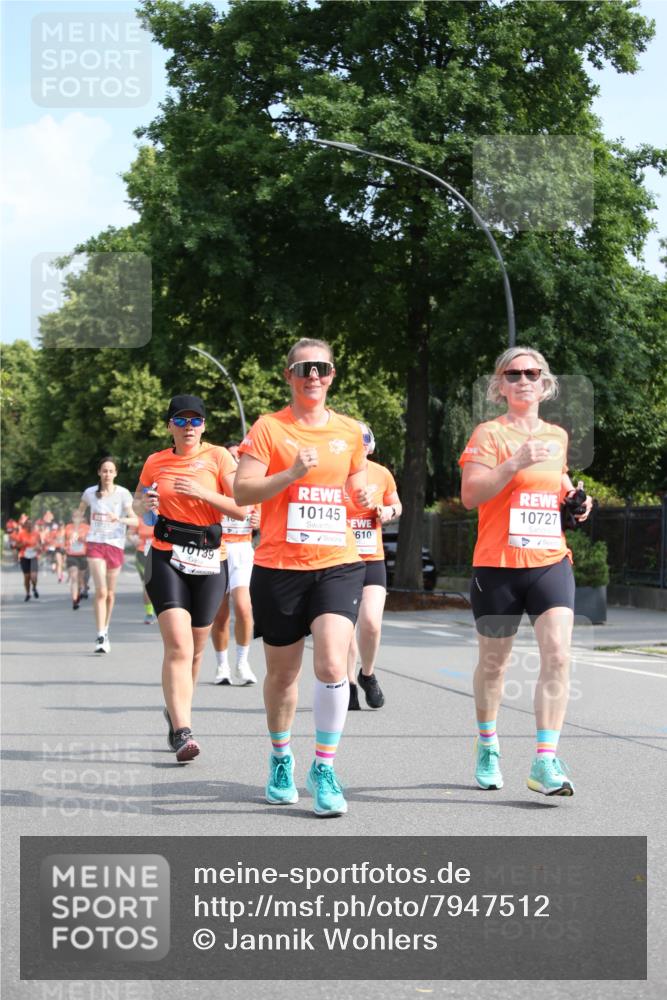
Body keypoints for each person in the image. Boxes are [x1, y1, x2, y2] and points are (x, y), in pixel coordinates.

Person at [235, 338, 370, 817]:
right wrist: (290, 473)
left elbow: (354, 490)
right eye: (304, 368)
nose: (314, 375)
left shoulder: (350, 432)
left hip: (338, 561)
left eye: (322, 368)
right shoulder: (270, 428)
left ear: (333, 375)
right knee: (283, 674)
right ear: (289, 375)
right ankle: (280, 757)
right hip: (278, 566)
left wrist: (370, 503)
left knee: (334, 665)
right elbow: (242, 488)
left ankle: (325, 767)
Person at [460, 346, 593, 797]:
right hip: (497, 566)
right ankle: (488, 743)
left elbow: (559, 485)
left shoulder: (556, 436)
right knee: (495, 664)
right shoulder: (488, 434)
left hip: (549, 560)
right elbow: (471, 495)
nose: (523, 379)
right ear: (500, 385)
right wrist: (515, 461)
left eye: (531, 373)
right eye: (512, 373)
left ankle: (545, 759)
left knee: (558, 655)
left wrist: (577, 500)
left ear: (544, 383)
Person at [133, 394, 248, 763]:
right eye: (180, 421)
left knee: (198, 649)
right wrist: (144, 507)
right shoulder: (156, 461)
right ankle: (183, 730)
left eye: (195, 421)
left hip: (210, 559)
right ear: (169, 426)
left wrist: (203, 492)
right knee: (180, 646)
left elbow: (241, 508)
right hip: (165, 556)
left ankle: (176, 709)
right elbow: (139, 501)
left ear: (204, 425)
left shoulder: (218, 457)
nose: (188, 428)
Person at [345, 422, 402, 710]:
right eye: (354, 441)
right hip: (339, 560)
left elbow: (397, 506)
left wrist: (386, 511)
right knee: (344, 628)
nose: (361, 445)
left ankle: (367, 674)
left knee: (371, 622)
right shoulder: (334, 473)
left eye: (365, 440)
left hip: (372, 559)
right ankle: (349, 685)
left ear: (371, 444)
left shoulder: (381, 474)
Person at [212, 442, 260, 686]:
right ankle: (222, 666)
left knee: (244, 608)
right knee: (220, 615)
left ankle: (243, 661)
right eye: (231, 457)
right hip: (217, 550)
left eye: (239, 457)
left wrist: (260, 520)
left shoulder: (252, 488)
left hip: (242, 550)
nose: (235, 461)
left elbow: (264, 520)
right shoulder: (215, 486)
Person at [78, 457, 137, 653]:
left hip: (115, 544)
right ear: (99, 473)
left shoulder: (123, 494)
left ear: (116, 474)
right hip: (95, 543)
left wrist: (118, 518)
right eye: (104, 471)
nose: (107, 474)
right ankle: (100, 634)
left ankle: (106, 628)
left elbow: (134, 520)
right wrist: (77, 529)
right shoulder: (89, 493)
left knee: (111, 594)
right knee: (101, 591)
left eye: (111, 471)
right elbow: (79, 513)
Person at [127, 521, 157, 623]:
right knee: (147, 584)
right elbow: (130, 534)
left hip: (161, 553)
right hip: (143, 554)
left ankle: (162, 611)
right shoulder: (138, 519)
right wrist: (134, 540)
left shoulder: (163, 514)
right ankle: (149, 613)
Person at [64, 510, 89, 609]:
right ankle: (74, 600)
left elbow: (91, 540)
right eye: (74, 516)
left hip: (83, 555)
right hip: (71, 555)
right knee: (74, 577)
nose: (76, 518)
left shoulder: (87, 528)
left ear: (82, 518)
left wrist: (83, 539)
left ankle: (78, 594)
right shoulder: (68, 528)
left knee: (80, 578)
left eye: (78, 516)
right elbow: (64, 540)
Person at [16, 518, 41, 601]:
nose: (29, 526)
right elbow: (17, 546)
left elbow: (40, 545)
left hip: (34, 556)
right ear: (25, 525)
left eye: (31, 524)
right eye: (28, 524)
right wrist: (22, 544)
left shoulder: (36, 534)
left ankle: (34, 587)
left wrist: (38, 547)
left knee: (34, 576)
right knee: (27, 576)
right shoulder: (21, 534)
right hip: (24, 556)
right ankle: (28, 593)